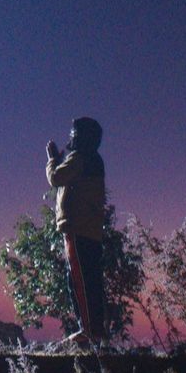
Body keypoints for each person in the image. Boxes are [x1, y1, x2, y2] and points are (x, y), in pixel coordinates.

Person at [46, 117, 107, 344]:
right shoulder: (95, 160)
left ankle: (88, 331)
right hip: (91, 230)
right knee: (91, 279)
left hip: (78, 228)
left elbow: (56, 178)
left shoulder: (80, 158)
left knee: (79, 279)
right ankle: (95, 330)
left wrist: (52, 160)